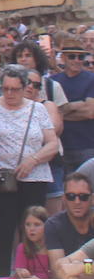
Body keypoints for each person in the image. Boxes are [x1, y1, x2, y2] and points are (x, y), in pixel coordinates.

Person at [0, 64, 59, 277]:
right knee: (2, 231)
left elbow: (52, 143)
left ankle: (38, 275)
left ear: (25, 88)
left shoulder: (38, 109)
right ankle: (0, 276)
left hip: (34, 177)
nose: (9, 94)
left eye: (15, 89)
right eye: (6, 88)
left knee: (33, 230)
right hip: (3, 179)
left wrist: (33, 160)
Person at [52, 37, 94, 178]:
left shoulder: (91, 78)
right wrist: (78, 104)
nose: (77, 60)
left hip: (87, 144)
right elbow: (52, 113)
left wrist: (63, 110)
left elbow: (90, 112)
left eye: (80, 57)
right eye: (72, 56)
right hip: (62, 146)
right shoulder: (53, 81)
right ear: (63, 58)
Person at [47, 171, 93, 279]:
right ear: (63, 199)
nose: (77, 201)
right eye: (71, 196)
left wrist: (82, 267)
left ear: (92, 199)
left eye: (83, 197)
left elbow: (74, 268)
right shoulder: (54, 224)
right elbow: (59, 269)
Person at [9, 206, 52, 279]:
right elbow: (17, 277)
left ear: (47, 225)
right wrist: (21, 273)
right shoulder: (22, 247)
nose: (31, 229)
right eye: (28, 224)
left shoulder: (54, 248)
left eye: (37, 224)